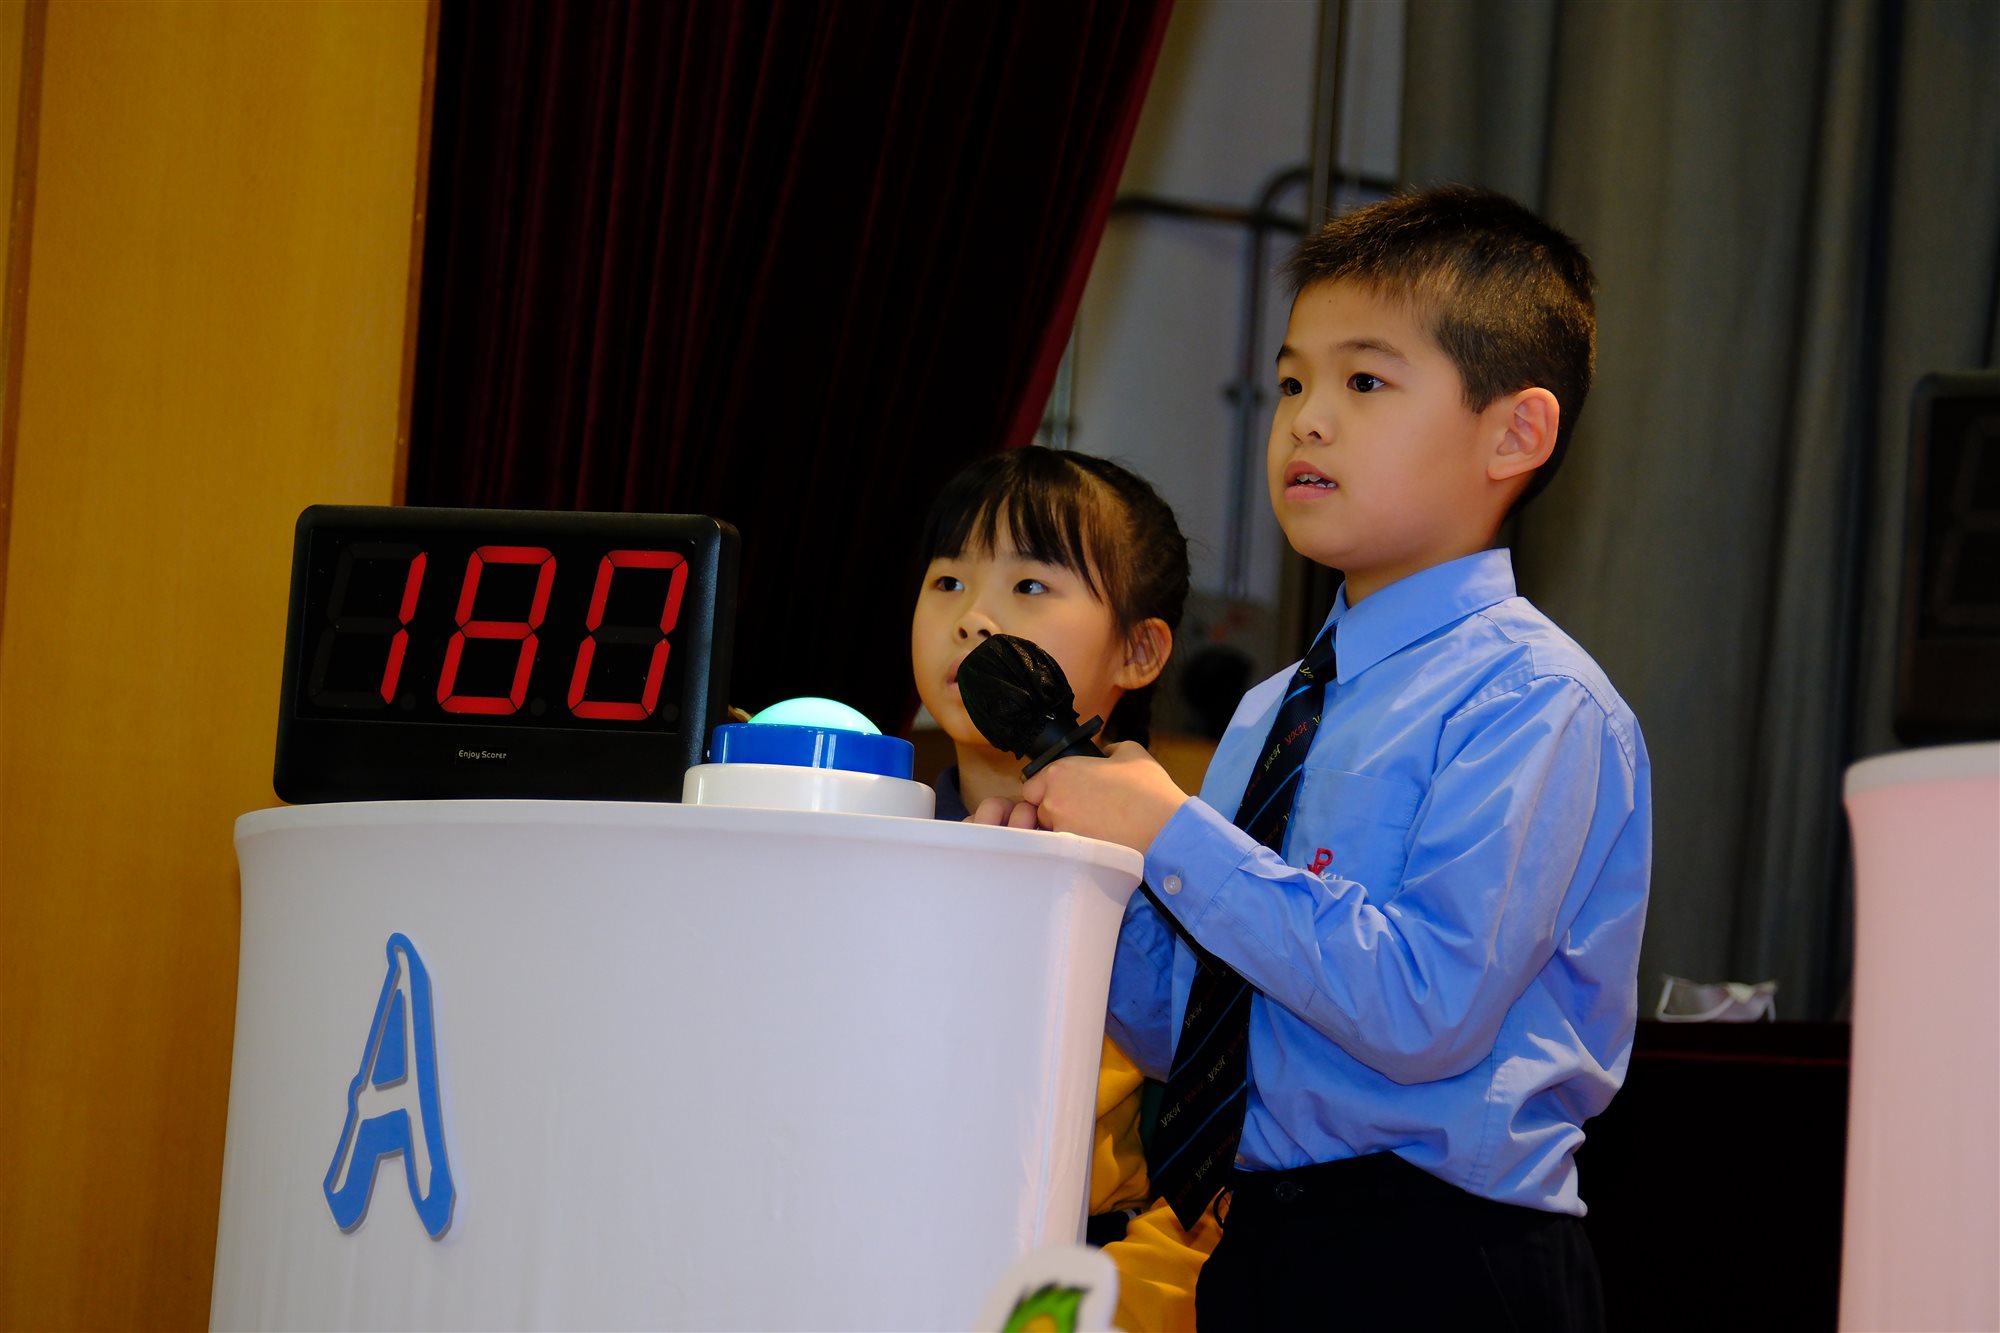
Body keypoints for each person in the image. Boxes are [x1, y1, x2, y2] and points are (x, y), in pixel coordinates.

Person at [978, 186, 1653, 1330]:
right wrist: (1077, 879)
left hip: (1441, 1257)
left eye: (1364, 382)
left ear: (1513, 434)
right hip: (1259, 1240)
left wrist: (1171, 831)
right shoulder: (1269, 710)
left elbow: (1423, 1007)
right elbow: (1197, 1030)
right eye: (1291, 383)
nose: (1306, 421)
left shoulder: (1535, 700)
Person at [910, 446, 1219, 1331]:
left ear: (1139, 649)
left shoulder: (1189, 880)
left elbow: (1212, 1179)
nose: (973, 618)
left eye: (1029, 586)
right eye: (946, 581)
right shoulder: (881, 840)